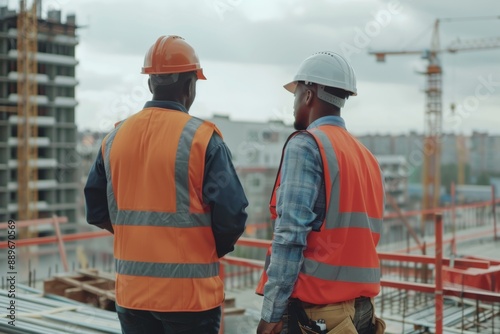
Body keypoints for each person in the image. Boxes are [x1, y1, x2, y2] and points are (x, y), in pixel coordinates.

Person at [84, 35, 248, 334]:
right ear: (190, 85)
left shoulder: (114, 138)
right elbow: (232, 214)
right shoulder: (202, 139)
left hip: (132, 294)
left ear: (150, 84)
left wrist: (138, 241)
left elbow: (96, 210)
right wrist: (204, 249)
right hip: (188, 299)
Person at [256, 51, 386, 334]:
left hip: (317, 313)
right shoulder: (365, 156)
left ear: (308, 94)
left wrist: (271, 313)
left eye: (296, 93)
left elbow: (290, 235)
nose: (293, 104)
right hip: (362, 310)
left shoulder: (306, 145)